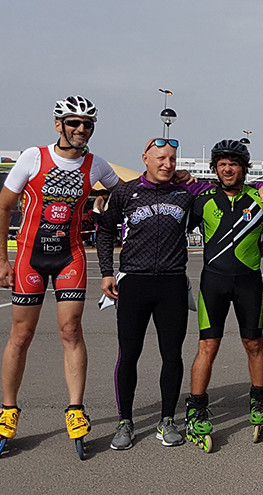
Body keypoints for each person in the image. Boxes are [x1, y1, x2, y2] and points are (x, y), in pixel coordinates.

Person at [0, 96, 118, 453]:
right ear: (59, 125)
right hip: (30, 257)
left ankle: (75, 409)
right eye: (74, 122)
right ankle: (7, 411)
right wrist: (1, 261)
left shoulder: (97, 165)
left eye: (87, 124)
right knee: (21, 334)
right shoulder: (33, 157)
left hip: (70, 256)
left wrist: (176, 178)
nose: (81, 129)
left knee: (71, 331)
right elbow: (4, 205)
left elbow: (124, 192)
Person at [98, 138, 201, 449]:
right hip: (134, 283)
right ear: (145, 158)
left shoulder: (184, 192)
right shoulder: (126, 192)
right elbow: (104, 230)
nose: (166, 164)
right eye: (160, 158)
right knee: (129, 355)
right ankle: (124, 421)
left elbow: (224, 186)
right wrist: (105, 272)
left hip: (171, 283)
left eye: (172, 159)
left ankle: (167, 419)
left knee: (172, 355)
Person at [184, 139, 263, 445]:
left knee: (253, 342)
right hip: (213, 282)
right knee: (208, 346)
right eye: (222, 163)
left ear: (244, 168)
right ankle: (197, 409)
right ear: (215, 168)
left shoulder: (261, 199)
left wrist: (248, 257)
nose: (228, 169)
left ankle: (259, 399)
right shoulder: (203, 199)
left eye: (234, 163)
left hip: (248, 281)